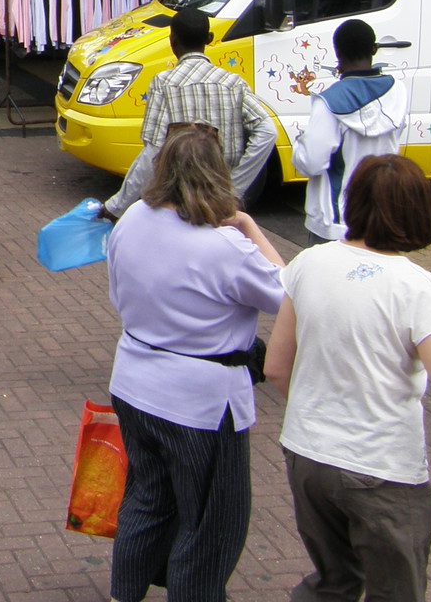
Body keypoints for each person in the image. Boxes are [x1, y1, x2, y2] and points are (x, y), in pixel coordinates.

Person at [266, 155, 431, 600]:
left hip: (308, 455)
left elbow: (276, 366)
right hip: (382, 469)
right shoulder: (419, 289)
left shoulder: (310, 262)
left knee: (335, 581)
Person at [107, 125, 286, 602]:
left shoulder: (131, 221)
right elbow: (286, 291)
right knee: (210, 520)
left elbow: (118, 292)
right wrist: (248, 225)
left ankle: (124, 592)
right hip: (201, 401)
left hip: (134, 380)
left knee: (146, 498)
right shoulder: (223, 247)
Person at [99, 9, 276, 218]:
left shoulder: (165, 83)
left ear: (172, 41)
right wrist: (235, 188)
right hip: (219, 200)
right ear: (209, 39)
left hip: (177, 199)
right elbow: (268, 132)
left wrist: (117, 207)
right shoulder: (233, 83)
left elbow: (152, 151)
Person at [292, 18, 409, 244]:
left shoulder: (328, 102)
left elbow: (311, 163)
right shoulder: (397, 91)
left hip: (336, 223)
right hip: (381, 213)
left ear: (337, 52)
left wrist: (300, 144)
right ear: (374, 49)